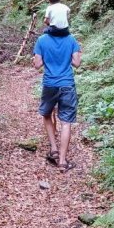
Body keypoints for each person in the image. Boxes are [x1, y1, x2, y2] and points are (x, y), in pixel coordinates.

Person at [32, 25, 82, 171]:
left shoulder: (41, 40)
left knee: (47, 114)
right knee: (66, 122)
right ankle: (62, 162)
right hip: (67, 83)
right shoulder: (71, 39)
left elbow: (37, 65)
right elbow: (77, 63)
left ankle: (53, 148)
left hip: (49, 84)